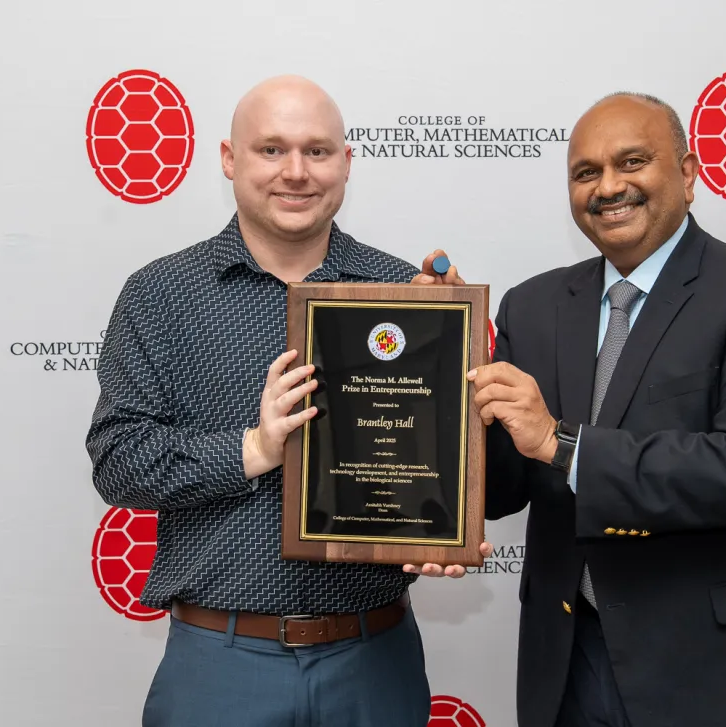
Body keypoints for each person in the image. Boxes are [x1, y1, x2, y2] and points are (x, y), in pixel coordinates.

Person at [85, 74, 487, 727]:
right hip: (218, 664)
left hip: (372, 663)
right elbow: (119, 461)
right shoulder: (159, 294)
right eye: (271, 150)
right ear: (228, 158)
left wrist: (439, 523)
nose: (296, 171)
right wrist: (254, 447)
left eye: (318, 151)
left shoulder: (402, 291)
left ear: (347, 163)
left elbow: (442, 463)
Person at [467, 93, 726, 726]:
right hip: (571, 665)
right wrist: (429, 360)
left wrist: (563, 445)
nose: (609, 186)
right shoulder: (531, 307)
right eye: (586, 172)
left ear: (690, 174)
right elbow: (505, 482)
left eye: (633, 162)